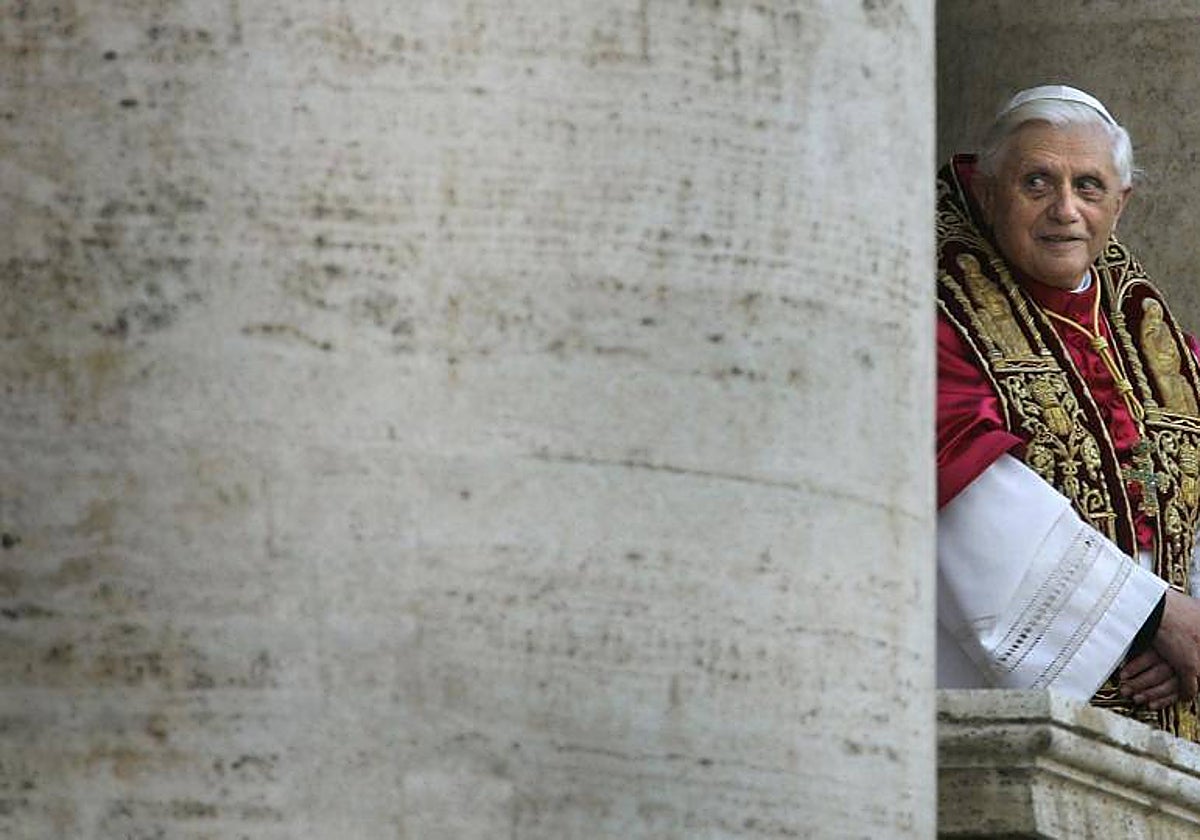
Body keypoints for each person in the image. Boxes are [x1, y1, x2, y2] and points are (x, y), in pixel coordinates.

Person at [936, 84, 1200, 740]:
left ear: (1122, 202)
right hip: (1014, 718)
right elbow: (957, 478)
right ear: (989, 190)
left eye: (1088, 186)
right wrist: (1144, 618)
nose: (1065, 211)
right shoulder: (937, 322)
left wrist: (1190, 633)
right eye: (1036, 182)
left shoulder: (1168, 348)